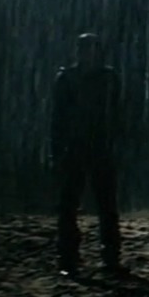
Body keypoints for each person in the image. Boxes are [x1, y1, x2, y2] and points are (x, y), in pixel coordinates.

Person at [51, 32, 127, 277]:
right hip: (77, 146)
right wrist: (57, 148)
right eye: (84, 49)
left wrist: (117, 141)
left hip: (99, 146)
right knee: (71, 204)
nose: (88, 54)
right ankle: (69, 256)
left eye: (91, 49)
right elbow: (58, 118)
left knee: (105, 204)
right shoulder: (68, 79)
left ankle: (109, 256)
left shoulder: (107, 78)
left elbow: (117, 113)